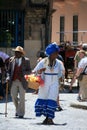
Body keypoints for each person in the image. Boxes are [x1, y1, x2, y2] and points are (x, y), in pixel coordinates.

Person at [32, 43, 65, 125]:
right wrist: (40, 71)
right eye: (55, 53)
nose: (56, 55)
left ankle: (50, 118)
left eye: (57, 53)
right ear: (50, 54)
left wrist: (61, 80)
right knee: (44, 99)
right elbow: (35, 72)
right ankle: (47, 118)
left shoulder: (59, 63)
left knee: (52, 99)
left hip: (54, 83)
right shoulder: (43, 62)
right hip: (45, 83)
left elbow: (62, 73)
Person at [7, 46, 31, 118]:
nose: (15, 53)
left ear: (21, 54)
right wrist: (8, 77)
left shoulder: (26, 60)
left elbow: (29, 70)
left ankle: (21, 113)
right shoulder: (11, 60)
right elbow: (9, 71)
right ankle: (17, 109)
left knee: (22, 98)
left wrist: (24, 74)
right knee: (13, 96)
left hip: (22, 81)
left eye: (17, 52)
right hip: (13, 81)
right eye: (15, 52)